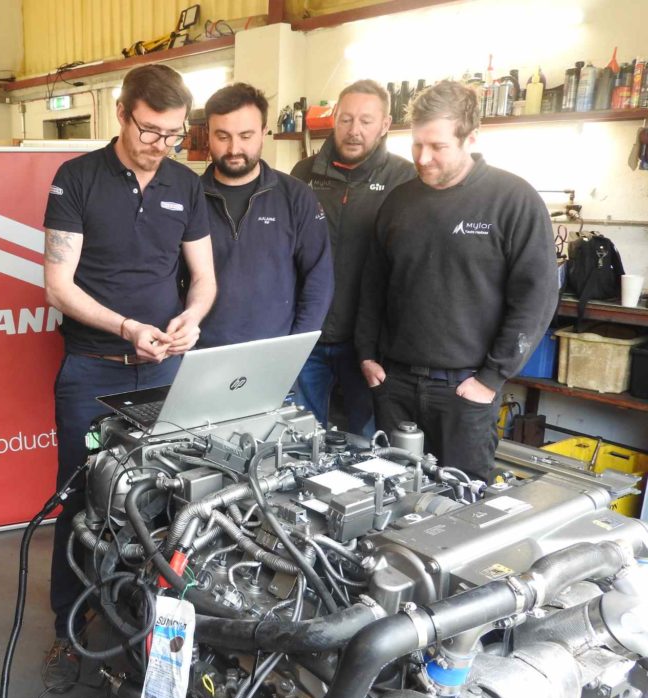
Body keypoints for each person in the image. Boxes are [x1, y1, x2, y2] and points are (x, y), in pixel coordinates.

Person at [41, 63, 215, 689]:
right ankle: (69, 629)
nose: (160, 144)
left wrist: (192, 319)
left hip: (166, 373)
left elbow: (203, 278)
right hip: (93, 369)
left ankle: (150, 633)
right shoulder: (77, 179)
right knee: (81, 501)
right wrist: (125, 329)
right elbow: (57, 285)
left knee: (169, 506)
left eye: (173, 134)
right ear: (122, 112)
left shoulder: (185, 185)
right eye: (149, 130)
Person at [355, 80, 557, 482]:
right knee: (388, 496)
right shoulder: (399, 201)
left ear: (471, 138)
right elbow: (373, 284)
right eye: (416, 145)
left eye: (438, 147)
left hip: (465, 391)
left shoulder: (513, 200)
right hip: (394, 384)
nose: (424, 158)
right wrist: (366, 354)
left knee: (461, 508)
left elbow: (536, 298)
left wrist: (491, 378)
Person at [290, 79, 415, 435]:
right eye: (346, 119)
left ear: (385, 124)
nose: (354, 130)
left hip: (369, 346)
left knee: (366, 440)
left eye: (365, 120)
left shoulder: (405, 180)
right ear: (333, 120)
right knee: (299, 435)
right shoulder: (303, 174)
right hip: (309, 334)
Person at [198, 82, 332, 348]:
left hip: (272, 352)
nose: (234, 148)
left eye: (246, 136)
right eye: (222, 136)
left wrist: (294, 349)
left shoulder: (296, 196)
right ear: (208, 135)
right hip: (199, 354)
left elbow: (319, 278)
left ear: (263, 132)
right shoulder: (189, 197)